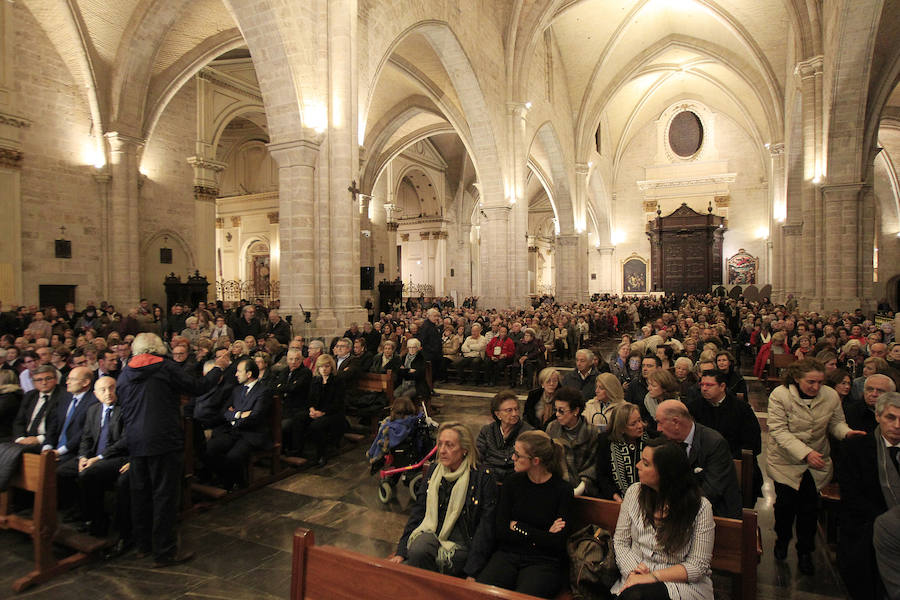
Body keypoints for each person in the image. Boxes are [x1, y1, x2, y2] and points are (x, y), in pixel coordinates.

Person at [116, 332, 228, 567]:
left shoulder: (126, 372)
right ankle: (164, 551)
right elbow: (197, 387)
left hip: (135, 440)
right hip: (163, 439)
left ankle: (143, 545)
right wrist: (218, 368)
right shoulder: (165, 367)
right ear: (159, 349)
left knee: (141, 494)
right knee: (165, 496)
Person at [766, 357, 866, 575]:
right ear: (796, 378)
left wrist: (847, 433)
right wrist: (805, 452)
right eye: (810, 382)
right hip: (787, 461)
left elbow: (836, 423)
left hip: (817, 462)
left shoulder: (829, 396)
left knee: (809, 510)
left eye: (820, 382)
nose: (816, 387)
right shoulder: (781, 395)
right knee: (785, 507)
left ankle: (805, 552)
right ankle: (782, 540)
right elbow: (779, 430)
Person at [610, 437, 715, 600]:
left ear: (665, 473)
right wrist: (634, 571)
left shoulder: (700, 508)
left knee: (637, 596)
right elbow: (621, 542)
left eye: (645, 463)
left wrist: (651, 577)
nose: (638, 466)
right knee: (635, 595)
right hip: (635, 577)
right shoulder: (634, 493)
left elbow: (697, 566)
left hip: (681, 584)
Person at [392, 422, 496, 578]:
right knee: (418, 549)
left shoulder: (482, 477)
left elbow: (485, 527)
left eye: (449, 445)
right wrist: (401, 552)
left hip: (462, 541)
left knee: (445, 561)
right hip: (433, 531)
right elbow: (418, 511)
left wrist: (472, 572)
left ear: (464, 449)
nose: (442, 451)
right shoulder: (435, 470)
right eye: (439, 444)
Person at [476, 430, 573, 598]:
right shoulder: (512, 482)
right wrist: (543, 535)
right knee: (482, 594)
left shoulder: (562, 490)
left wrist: (519, 527)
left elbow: (557, 542)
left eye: (517, 455)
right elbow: (501, 531)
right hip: (508, 554)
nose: (512, 458)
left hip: (544, 561)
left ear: (535, 461)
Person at [838, 391, 900, 600]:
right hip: (868, 523)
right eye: (891, 417)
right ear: (878, 417)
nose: (897, 425)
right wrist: (886, 522)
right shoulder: (857, 447)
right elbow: (851, 495)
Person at [655, 399, 742, 519]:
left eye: (660, 423)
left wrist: (675, 506)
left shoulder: (714, 443)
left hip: (715, 514)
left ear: (676, 422)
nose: (658, 428)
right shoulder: (666, 440)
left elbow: (712, 491)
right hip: (679, 510)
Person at [688, 369, 763, 499]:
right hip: (702, 464)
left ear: (722, 386)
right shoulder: (694, 407)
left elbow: (752, 443)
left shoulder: (741, 409)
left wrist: (724, 460)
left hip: (734, 461)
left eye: (709, 385)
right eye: (702, 385)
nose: (704, 389)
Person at [204, 357, 273, 490]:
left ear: (249, 374)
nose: (236, 374)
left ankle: (237, 483)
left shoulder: (263, 391)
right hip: (234, 431)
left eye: (239, 371)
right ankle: (225, 479)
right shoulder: (237, 390)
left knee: (233, 456)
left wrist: (235, 414)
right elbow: (225, 411)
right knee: (211, 448)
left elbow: (255, 417)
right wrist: (239, 414)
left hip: (251, 434)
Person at [293, 354, 345, 466]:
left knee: (316, 426)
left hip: (332, 413)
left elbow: (337, 403)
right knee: (298, 418)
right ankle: (298, 451)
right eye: (321, 366)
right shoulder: (316, 380)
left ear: (331, 367)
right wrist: (311, 409)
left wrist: (322, 412)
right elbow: (310, 399)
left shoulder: (337, 381)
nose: (324, 369)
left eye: (327, 366)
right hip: (316, 411)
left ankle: (321, 455)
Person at [546, 387, 597, 496]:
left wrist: (581, 487)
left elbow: (593, 465)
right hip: (555, 487)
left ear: (576, 411)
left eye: (561, 411)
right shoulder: (552, 428)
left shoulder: (592, 432)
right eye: (555, 410)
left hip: (583, 490)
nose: (557, 414)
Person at [595, 402, 648, 501]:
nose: (640, 426)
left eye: (639, 420)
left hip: (646, 499)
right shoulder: (606, 442)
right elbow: (602, 476)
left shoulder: (649, 440)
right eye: (633, 424)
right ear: (621, 428)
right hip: (616, 499)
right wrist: (615, 496)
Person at [476, 390, 533, 481]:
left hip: (515, 481)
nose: (514, 414)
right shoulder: (487, 431)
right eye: (509, 410)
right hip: (488, 480)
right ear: (498, 414)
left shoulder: (528, 433)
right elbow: (477, 458)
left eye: (516, 409)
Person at [641, 368, 680, 435]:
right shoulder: (648, 399)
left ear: (664, 387)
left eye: (653, 386)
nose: (649, 388)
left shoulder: (675, 404)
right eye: (649, 385)